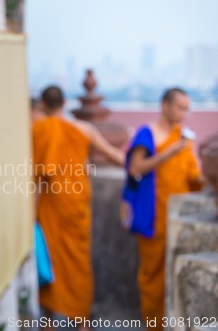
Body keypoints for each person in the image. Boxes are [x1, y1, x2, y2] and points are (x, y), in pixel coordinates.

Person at [32, 85, 124, 328]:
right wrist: (141, 165)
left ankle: (48, 323)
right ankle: (81, 323)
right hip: (76, 205)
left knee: (52, 261)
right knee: (78, 263)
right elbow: (114, 155)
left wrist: (32, 212)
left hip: (51, 205)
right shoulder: (84, 129)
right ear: (65, 103)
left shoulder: (39, 129)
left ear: (42, 105)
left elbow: (37, 177)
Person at [123, 88, 202, 331]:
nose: (183, 113)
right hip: (153, 217)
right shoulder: (148, 133)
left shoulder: (181, 138)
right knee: (152, 278)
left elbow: (193, 176)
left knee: (179, 276)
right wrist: (170, 152)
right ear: (164, 105)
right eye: (179, 107)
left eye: (187, 108)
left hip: (181, 217)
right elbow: (135, 168)